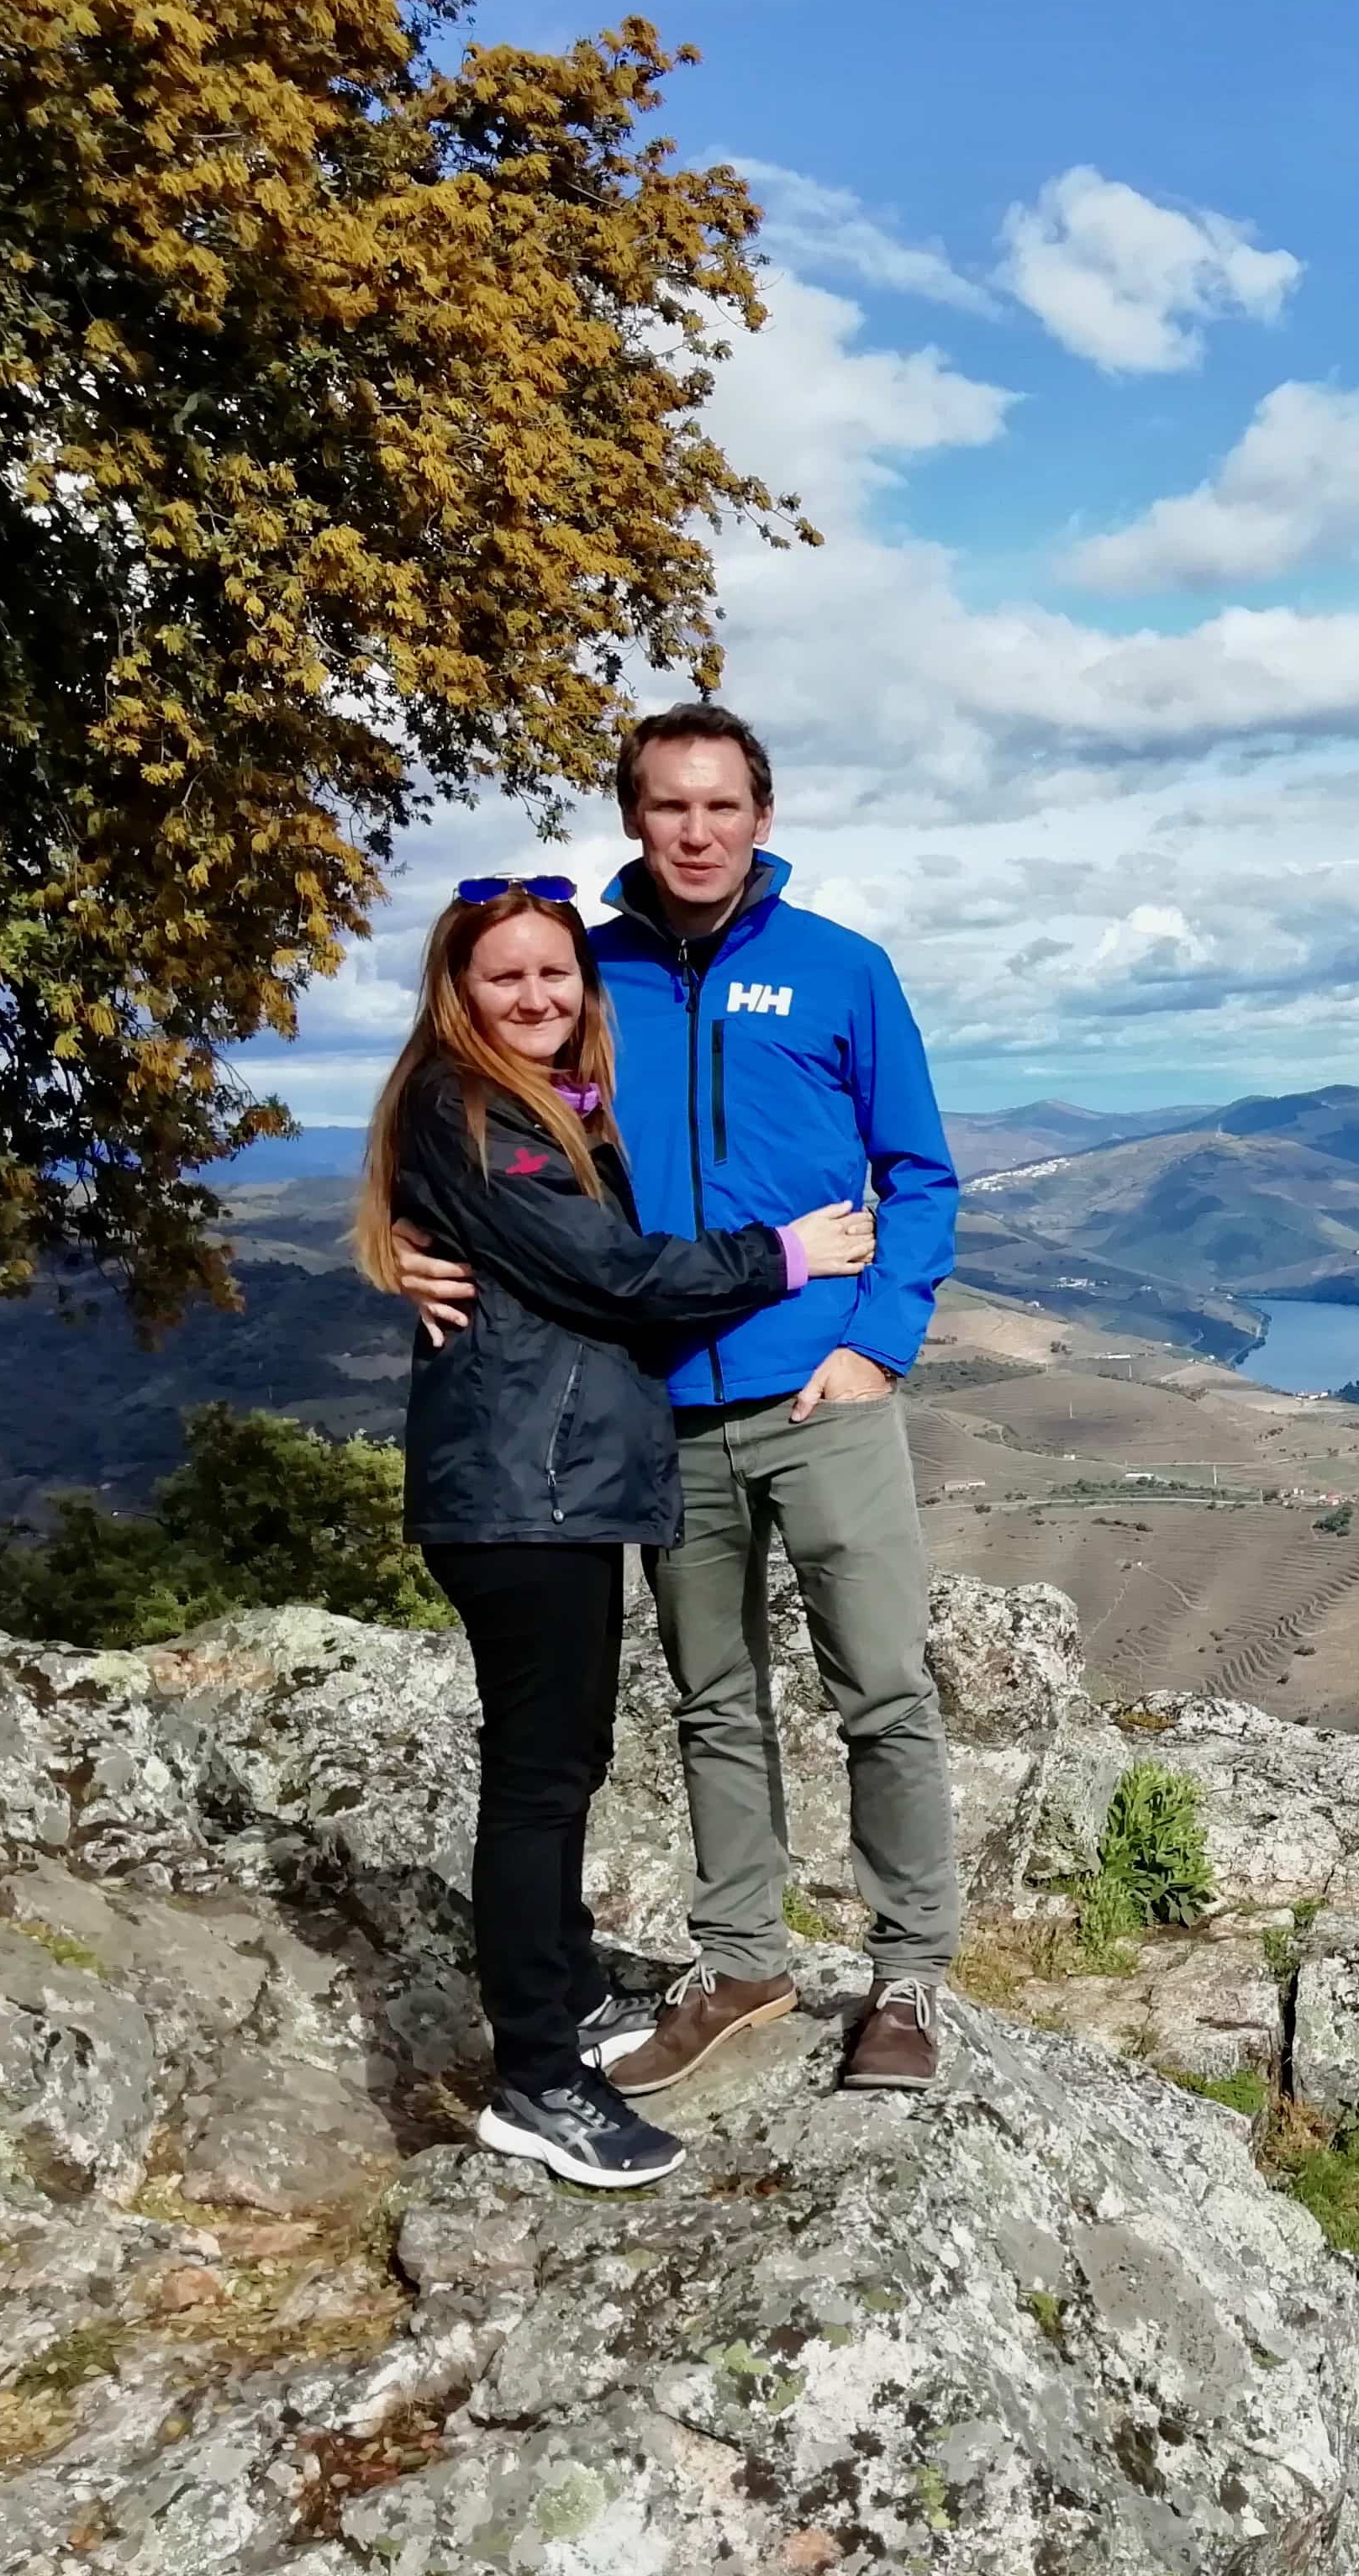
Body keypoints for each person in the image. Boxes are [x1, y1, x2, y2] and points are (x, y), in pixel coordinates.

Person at [394, 704, 965, 2101]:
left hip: (822, 1387)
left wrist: (881, 1345)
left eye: (720, 807)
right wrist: (407, 1244)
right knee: (714, 1699)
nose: (695, 832)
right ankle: (743, 1955)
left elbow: (922, 1175)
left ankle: (908, 1975)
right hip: (663, 1406)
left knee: (881, 1688)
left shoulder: (842, 971)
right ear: (632, 819)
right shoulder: (586, 980)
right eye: (667, 807)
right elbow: (476, 1114)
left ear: (762, 818)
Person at [356, 877, 875, 2187]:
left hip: (548, 1486)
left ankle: (566, 1996)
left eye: (555, 975)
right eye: (505, 979)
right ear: (456, 996)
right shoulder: (470, 1108)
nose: (537, 996)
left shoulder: (520, 1111)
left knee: (564, 1756)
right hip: (520, 1494)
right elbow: (614, 1275)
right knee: (537, 1777)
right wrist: (787, 1256)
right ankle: (535, 2078)